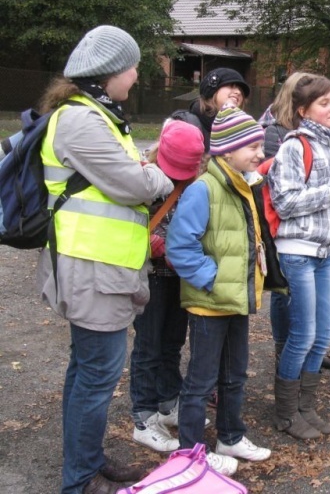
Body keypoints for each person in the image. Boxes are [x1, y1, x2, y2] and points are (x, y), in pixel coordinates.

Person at [36, 25, 174, 494]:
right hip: (91, 268)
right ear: (110, 71)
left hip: (101, 266)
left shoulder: (100, 116)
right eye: (133, 66)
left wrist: (142, 169)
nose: (137, 75)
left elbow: (130, 173)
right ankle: (80, 480)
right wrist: (154, 175)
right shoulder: (81, 121)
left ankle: (88, 461)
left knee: (88, 372)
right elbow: (137, 184)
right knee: (96, 377)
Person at [166, 104, 272, 477]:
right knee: (200, 382)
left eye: (260, 145)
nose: (260, 153)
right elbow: (180, 247)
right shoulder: (203, 190)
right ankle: (192, 453)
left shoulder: (244, 185)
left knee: (235, 374)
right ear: (227, 151)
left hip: (237, 300)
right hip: (211, 304)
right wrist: (211, 280)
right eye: (252, 147)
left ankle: (230, 436)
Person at [266, 74, 330, 439]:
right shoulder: (294, 147)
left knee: (324, 334)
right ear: (303, 110)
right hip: (296, 253)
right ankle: (286, 413)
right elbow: (286, 201)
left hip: (325, 253)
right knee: (303, 335)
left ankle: (305, 408)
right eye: (324, 103)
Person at [129, 120, 206, 453]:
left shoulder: (196, 183)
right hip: (151, 275)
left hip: (180, 276)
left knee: (173, 342)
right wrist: (157, 244)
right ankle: (144, 416)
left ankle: (167, 402)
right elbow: (129, 222)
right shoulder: (142, 176)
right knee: (148, 346)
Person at [261, 72, 330, 372]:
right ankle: (284, 349)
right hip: (285, 231)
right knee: (283, 294)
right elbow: (277, 188)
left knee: (314, 327)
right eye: (323, 101)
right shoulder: (278, 134)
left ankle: (301, 357)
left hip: (316, 237)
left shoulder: (328, 140)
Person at [172, 67, 250, 152]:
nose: (238, 92)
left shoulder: (243, 130)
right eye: (231, 86)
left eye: (241, 90)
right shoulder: (187, 125)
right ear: (212, 91)